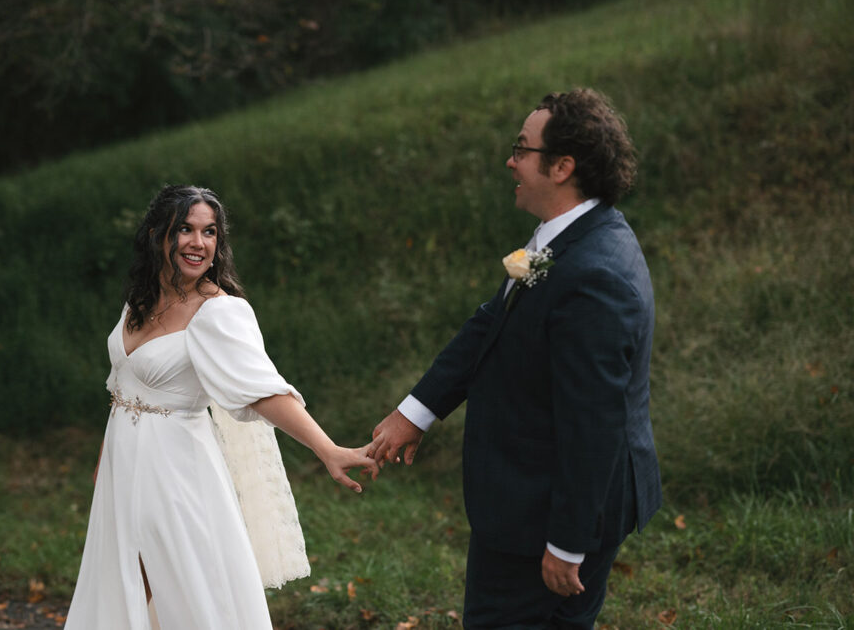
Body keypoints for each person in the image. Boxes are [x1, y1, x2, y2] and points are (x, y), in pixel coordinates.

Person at [367, 89, 662, 629]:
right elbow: (492, 322)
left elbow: (593, 421)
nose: (510, 160)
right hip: (522, 501)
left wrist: (567, 543)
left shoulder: (594, 274)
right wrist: (416, 412)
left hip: (545, 514)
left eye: (521, 148)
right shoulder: (564, 240)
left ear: (562, 166)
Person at [64, 185, 378, 629]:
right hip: (123, 469)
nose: (199, 243)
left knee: (187, 590)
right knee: (121, 586)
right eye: (185, 230)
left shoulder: (218, 312)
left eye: (209, 232)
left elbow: (265, 391)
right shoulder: (139, 301)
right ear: (157, 235)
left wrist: (328, 450)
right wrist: (104, 463)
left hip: (178, 473)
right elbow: (122, 387)